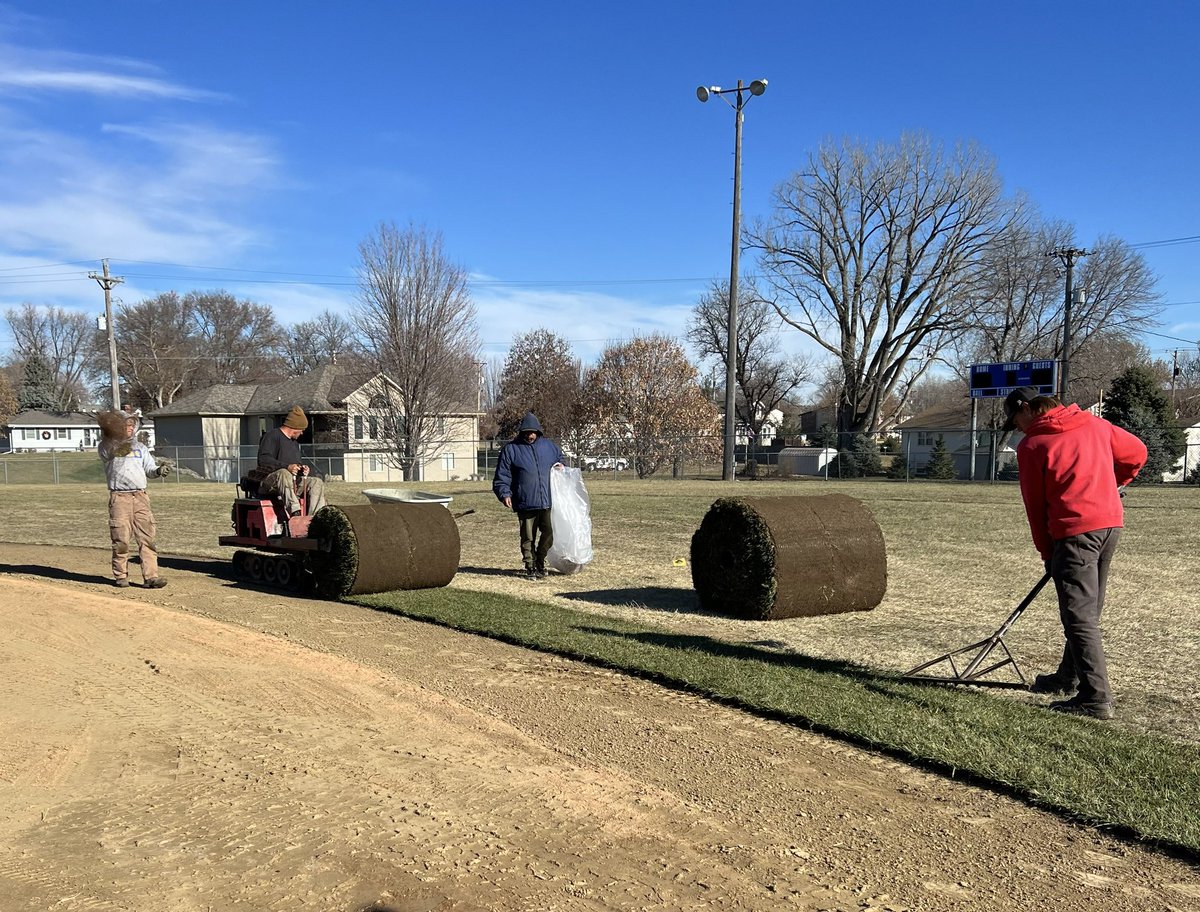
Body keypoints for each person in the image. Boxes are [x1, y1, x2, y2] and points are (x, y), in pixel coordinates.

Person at [1003, 386, 1147, 720]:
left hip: (1074, 532)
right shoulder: (1094, 424)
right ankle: (1066, 678)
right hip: (1109, 525)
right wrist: (1113, 486)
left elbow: (1035, 507)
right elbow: (1137, 453)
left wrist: (1046, 551)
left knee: (1078, 614)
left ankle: (1095, 698)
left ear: (1027, 409)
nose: (1018, 428)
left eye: (1016, 421)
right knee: (1087, 608)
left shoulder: (1034, 445)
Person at [97, 409, 171, 589]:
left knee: (147, 538)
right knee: (121, 539)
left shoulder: (141, 448)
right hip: (119, 497)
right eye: (125, 425)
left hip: (140, 497)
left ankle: (151, 577)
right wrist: (115, 436)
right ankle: (121, 576)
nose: (130, 428)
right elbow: (112, 453)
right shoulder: (107, 446)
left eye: (132, 425)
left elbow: (149, 469)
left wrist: (158, 471)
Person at [492, 412, 565, 579]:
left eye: (533, 432)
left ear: (538, 432)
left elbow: (561, 462)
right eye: (527, 432)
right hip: (525, 501)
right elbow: (502, 475)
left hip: (548, 500)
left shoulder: (550, 447)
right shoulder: (511, 449)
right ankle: (530, 565)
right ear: (522, 432)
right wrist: (504, 493)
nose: (530, 435)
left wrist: (562, 466)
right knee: (528, 537)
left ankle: (541, 559)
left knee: (550, 533)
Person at [256, 406, 327, 520]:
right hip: (269, 483)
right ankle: (295, 513)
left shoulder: (294, 443)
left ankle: (315, 519)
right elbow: (263, 460)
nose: (302, 433)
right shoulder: (272, 436)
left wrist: (302, 469)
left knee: (316, 482)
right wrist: (287, 467)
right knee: (284, 473)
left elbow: (295, 465)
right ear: (295, 427)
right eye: (301, 429)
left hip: (291, 485)